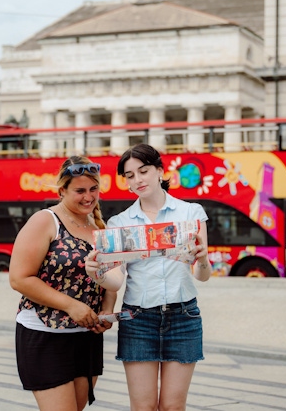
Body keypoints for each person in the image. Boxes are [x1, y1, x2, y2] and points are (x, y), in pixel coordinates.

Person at [85, 143, 211, 410]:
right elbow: (117, 281)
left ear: (159, 170)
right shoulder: (120, 223)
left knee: (172, 407)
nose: (137, 180)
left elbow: (202, 276)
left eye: (143, 171)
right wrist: (97, 273)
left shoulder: (191, 213)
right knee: (143, 407)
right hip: (138, 320)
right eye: (130, 176)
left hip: (183, 317)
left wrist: (202, 259)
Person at [8, 156, 117, 411]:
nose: (88, 197)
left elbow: (109, 278)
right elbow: (19, 278)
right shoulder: (45, 221)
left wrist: (107, 309)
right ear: (62, 191)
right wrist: (71, 306)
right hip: (45, 334)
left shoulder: (98, 226)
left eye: (93, 189)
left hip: (86, 336)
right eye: (79, 191)